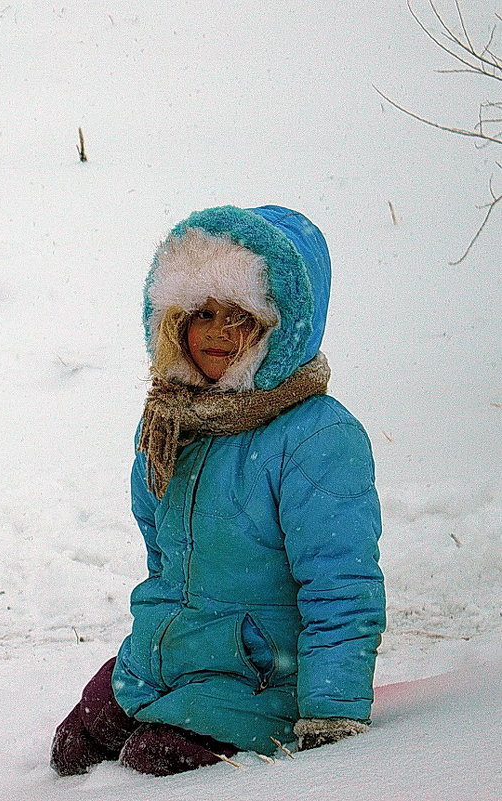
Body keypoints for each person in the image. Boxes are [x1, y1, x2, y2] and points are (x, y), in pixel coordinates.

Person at [50, 205, 385, 777]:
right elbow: (164, 555)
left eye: (240, 317)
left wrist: (332, 714)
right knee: (76, 745)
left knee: (152, 764)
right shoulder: (171, 422)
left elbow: (342, 586)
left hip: (263, 674)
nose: (217, 334)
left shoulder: (316, 437)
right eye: (202, 313)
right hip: (172, 651)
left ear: (278, 325)